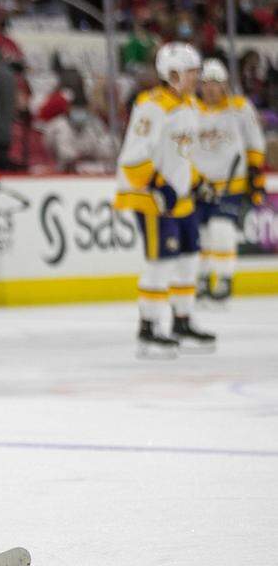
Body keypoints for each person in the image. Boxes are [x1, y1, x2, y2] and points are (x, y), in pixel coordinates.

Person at [113, 42, 214, 358]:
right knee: (162, 261)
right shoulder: (152, 106)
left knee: (189, 258)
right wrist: (160, 186)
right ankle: (148, 328)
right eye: (191, 73)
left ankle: (181, 320)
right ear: (171, 74)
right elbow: (133, 157)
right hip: (152, 199)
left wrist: (197, 182)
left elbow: (182, 155)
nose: (196, 78)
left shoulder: (189, 106)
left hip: (179, 198)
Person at [192, 58, 266, 303]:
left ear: (225, 85)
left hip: (231, 181)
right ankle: (201, 278)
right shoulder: (192, 109)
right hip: (200, 184)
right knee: (200, 233)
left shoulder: (240, 107)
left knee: (221, 229)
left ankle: (224, 278)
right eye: (206, 83)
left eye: (216, 83)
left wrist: (255, 173)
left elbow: (255, 140)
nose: (211, 88)